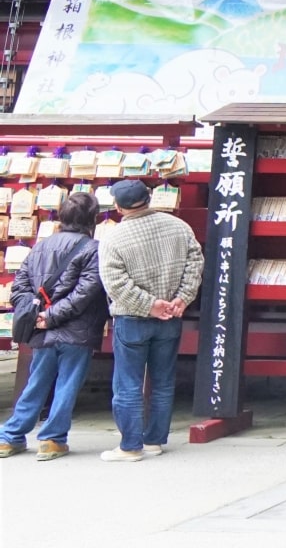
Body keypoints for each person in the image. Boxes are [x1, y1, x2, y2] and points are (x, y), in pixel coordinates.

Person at [97, 178, 202, 462]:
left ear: (118, 207)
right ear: (150, 198)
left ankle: (130, 446)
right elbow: (195, 264)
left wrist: (149, 305)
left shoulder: (113, 239)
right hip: (172, 315)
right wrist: (182, 297)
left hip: (133, 317)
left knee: (128, 383)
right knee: (163, 381)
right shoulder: (179, 227)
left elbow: (115, 283)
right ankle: (154, 440)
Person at [0, 192, 107, 460]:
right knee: (67, 384)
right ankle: (52, 439)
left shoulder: (40, 247)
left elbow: (20, 285)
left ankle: (10, 437)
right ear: (92, 219)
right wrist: (52, 316)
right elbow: (85, 293)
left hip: (41, 329)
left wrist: (36, 313)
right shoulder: (92, 249)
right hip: (76, 330)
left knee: (36, 383)